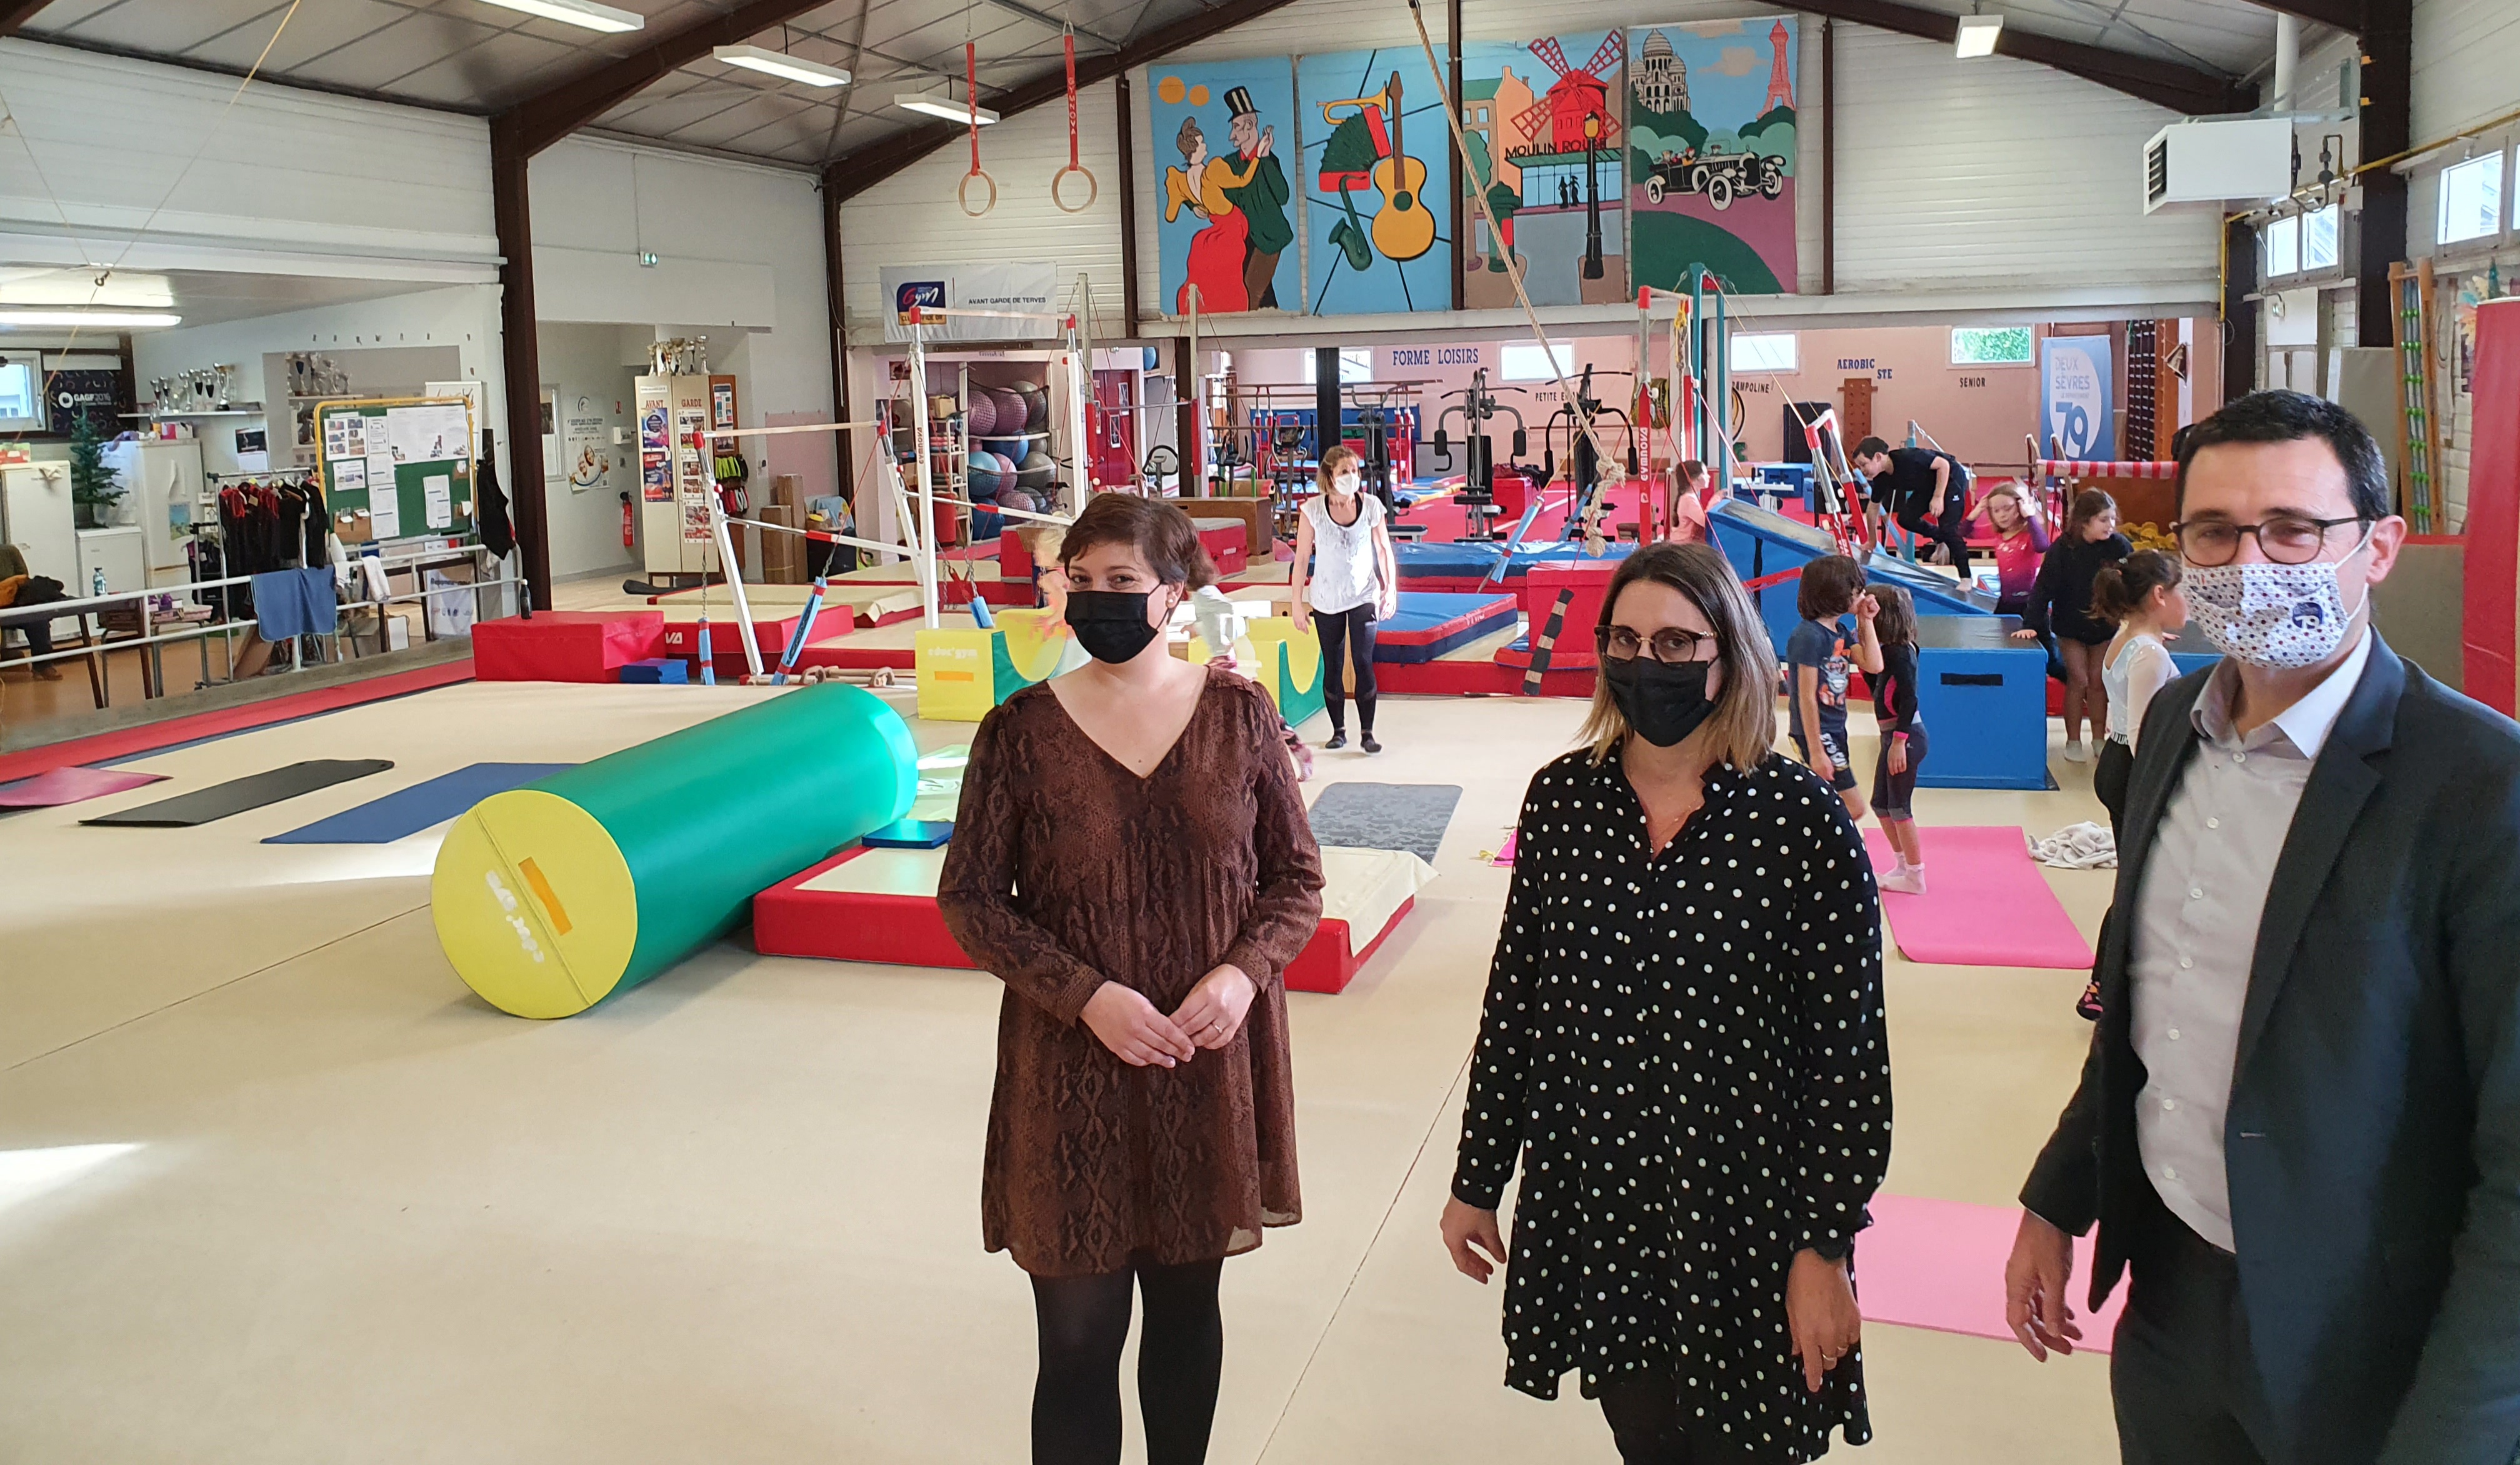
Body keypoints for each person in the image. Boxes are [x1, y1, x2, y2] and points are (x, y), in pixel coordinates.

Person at [2002, 390, 2520, 1465]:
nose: (2251, 560)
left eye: (2292, 528)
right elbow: (2147, 996)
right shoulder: (2168, 724)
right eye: (2213, 532)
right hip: (2171, 1296)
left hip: (2364, 1332)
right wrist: (2058, 1192)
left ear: (2375, 548)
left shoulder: (2478, 785)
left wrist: (2462, 1429)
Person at [1439, 541, 1889, 1465]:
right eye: (1627, 640)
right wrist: (1478, 1178)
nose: (1650, 664)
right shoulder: (1563, 804)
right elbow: (1518, 1006)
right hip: (1603, 1201)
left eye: (1679, 644)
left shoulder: (1798, 825)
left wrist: (1825, 1246)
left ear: (1730, 656)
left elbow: (1847, 1062)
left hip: (1749, 1218)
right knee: (1644, 1436)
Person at [936, 493, 1325, 1465]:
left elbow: (1295, 879)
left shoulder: (1240, 715)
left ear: (1174, 595)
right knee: (1075, 1339)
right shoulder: (1018, 733)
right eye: (1084, 580)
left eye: (1125, 583)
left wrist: (1243, 975)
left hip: (1204, 1066)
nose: (1101, 598)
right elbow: (973, 899)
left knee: (1188, 1320)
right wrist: (1086, 997)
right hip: (1070, 1075)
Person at [1292, 444, 1399, 754]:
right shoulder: (1312, 511)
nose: (1352, 476)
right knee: (1334, 664)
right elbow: (1301, 560)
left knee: (1364, 662)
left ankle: (1368, 732)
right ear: (1329, 475)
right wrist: (1297, 604)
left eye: (1355, 471)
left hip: (1364, 594)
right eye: (1344, 471)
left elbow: (1383, 550)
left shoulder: (1372, 506)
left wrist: (1390, 588)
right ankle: (1338, 729)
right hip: (1327, 598)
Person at [2020, 489, 2131, 764]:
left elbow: (2138, 581)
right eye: (2104, 520)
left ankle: (2097, 738)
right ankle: (2072, 739)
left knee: (2098, 681)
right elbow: (2043, 588)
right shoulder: (2063, 550)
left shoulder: (2118, 547)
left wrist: (2151, 623)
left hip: (2104, 625)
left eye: (2113, 520)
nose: (2111, 526)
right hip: (2070, 626)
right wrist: (2032, 624)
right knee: (2078, 679)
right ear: (2084, 522)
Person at [2088, 550, 2184, 835]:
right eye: (2184, 589)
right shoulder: (2148, 653)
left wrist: (2153, 635)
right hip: (2130, 769)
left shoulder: (2127, 633)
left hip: (2116, 762)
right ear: (2159, 595)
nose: (2189, 599)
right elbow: (2140, 734)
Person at [1787, 553, 1881, 825]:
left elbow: (1874, 664)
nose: (1863, 595)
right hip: (1816, 733)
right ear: (1837, 595)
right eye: (1857, 591)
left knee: (1831, 802)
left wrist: (1866, 620)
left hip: (1835, 729)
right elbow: (1805, 697)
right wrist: (1816, 751)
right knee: (1853, 807)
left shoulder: (1839, 632)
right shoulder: (1809, 636)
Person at [1866, 582, 1929, 895]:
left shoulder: (1902, 652)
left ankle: (1916, 876)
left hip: (1907, 736)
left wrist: (1900, 741)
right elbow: (1875, 684)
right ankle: (1903, 864)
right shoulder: (1887, 652)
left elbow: (1909, 699)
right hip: (1891, 736)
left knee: (1900, 807)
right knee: (1880, 804)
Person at [1163, 116, 1250, 314]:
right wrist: (1193, 206)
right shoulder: (1182, 178)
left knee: (1217, 254)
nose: (1206, 148)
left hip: (1233, 222)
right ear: (1193, 149)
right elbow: (1170, 214)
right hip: (1219, 225)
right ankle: (1204, 303)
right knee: (1201, 246)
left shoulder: (1212, 169)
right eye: (1202, 143)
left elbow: (1240, 182)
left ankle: (1229, 303)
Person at [1852, 436, 1973, 574]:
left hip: (1950, 477)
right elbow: (1873, 508)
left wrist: (1938, 497)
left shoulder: (1908, 458)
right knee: (1906, 519)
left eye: (1863, 464)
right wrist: (1871, 541)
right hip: (1927, 486)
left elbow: (1943, 465)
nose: (1862, 470)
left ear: (1878, 457)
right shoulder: (1882, 478)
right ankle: (1941, 538)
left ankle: (1966, 577)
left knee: (1949, 529)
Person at [1218, 87, 1291, 311]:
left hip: (1269, 238)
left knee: (1250, 292)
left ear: (1250, 126)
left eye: (1236, 128)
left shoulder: (1269, 161)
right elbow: (1214, 192)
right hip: (1241, 239)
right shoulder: (1229, 163)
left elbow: (1283, 196)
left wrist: (1266, 158)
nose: (1232, 135)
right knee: (1260, 297)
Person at [1966, 482, 2052, 618]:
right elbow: (1962, 533)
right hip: (2006, 602)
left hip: (2030, 603)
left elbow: (2042, 546)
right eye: (1996, 511)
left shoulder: (2029, 535)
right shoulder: (1998, 535)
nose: (2002, 515)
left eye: (2007, 508)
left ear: (2019, 507)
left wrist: (2030, 516)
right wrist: (1976, 513)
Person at [1664, 458, 1711, 544]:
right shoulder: (1688, 499)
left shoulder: (1691, 497)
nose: (1709, 476)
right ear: (1693, 480)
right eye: (1705, 474)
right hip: (1682, 545)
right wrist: (1715, 500)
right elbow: (1706, 521)